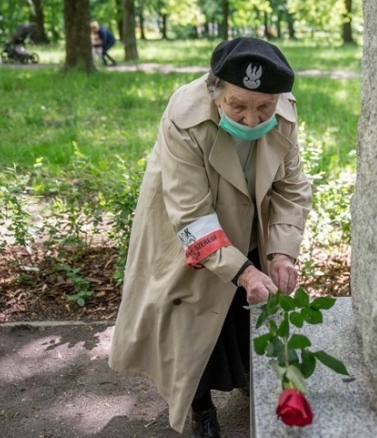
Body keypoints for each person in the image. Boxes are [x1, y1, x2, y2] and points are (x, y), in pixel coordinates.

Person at [108, 37, 312, 438]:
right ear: (214, 91)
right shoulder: (185, 117)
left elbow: (291, 188)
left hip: (249, 220)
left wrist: (282, 253)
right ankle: (201, 408)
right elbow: (192, 214)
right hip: (187, 226)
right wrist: (245, 271)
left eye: (263, 107)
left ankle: (245, 379)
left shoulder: (283, 114)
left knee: (239, 310)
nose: (252, 120)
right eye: (238, 106)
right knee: (191, 316)